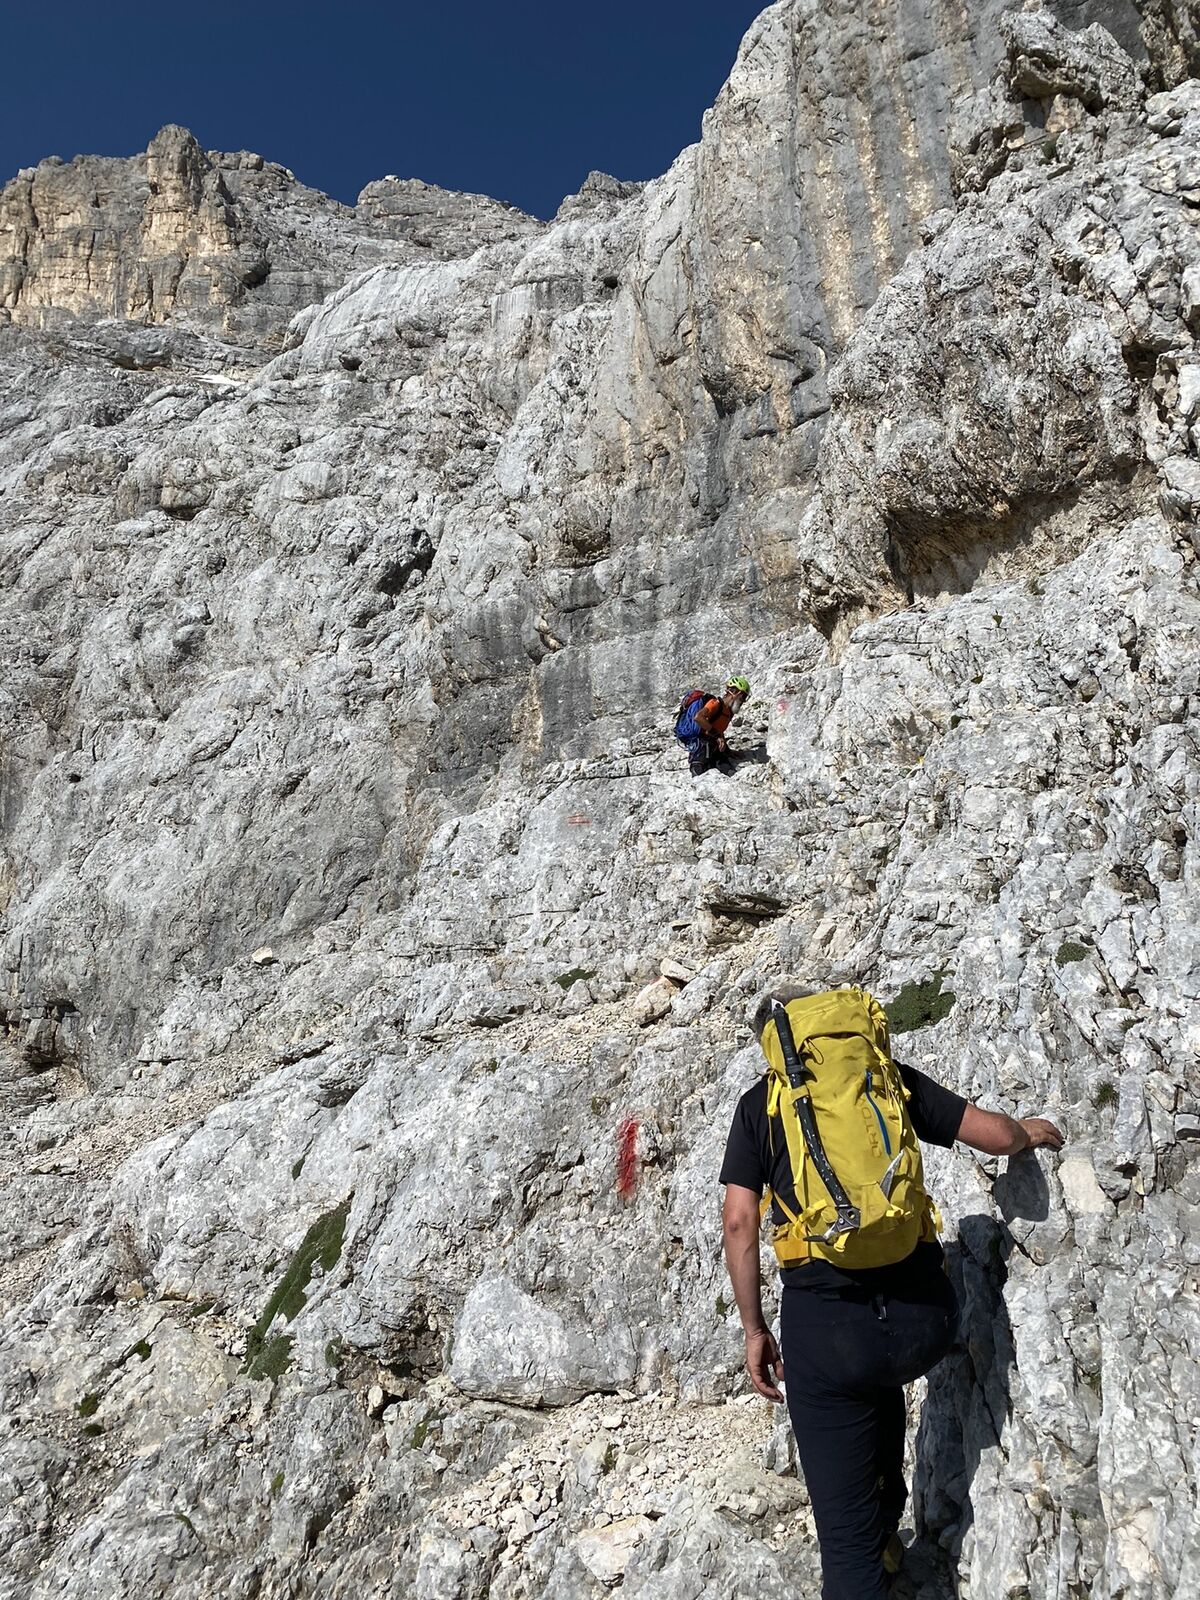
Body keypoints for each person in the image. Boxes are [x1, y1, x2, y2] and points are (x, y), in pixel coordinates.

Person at [719, 983, 1065, 1600]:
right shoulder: (884, 1081)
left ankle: (866, 1552)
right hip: (920, 1323)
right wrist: (1028, 1133)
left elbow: (740, 1224)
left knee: (845, 1545)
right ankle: (886, 1533)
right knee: (877, 1380)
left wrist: (754, 1330)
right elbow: (991, 1134)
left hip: (828, 1336)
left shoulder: (760, 1107)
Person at [676, 676, 750, 776]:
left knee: (726, 768)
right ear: (737, 693)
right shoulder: (715, 704)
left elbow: (719, 730)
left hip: (714, 745)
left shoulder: (729, 712)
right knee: (699, 769)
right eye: (743, 697)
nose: (743, 701)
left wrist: (728, 751)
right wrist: (717, 736)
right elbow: (698, 717)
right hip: (702, 744)